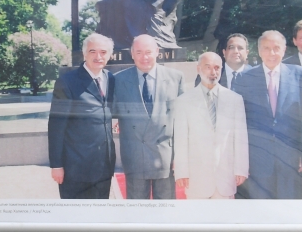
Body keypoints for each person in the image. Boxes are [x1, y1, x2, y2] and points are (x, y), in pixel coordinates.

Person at [112, 34, 184, 199]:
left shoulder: (176, 78)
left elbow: (181, 121)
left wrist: (179, 157)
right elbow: (111, 112)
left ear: (157, 52)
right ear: (132, 53)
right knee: (137, 215)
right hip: (135, 156)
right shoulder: (119, 80)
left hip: (165, 156)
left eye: (148, 52)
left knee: (166, 214)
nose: (144, 57)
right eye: (138, 52)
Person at [232, 30, 302, 199]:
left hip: (291, 161)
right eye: (266, 48)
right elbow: (238, 123)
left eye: (276, 48)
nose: (272, 53)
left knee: (290, 215)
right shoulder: (243, 79)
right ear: (259, 50)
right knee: (261, 215)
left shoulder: (299, 75)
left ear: (284, 49)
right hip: (257, 162)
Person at [47, 33, 116, 199]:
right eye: (92, 51)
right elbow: (56, 126)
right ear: (84, 54)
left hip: (104, 167)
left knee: (100, 219)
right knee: (76, 220)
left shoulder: (110, 79)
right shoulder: (67, 82)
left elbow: (107, 108)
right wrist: (56, 165)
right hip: (76, 169)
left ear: (109, 55)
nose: (98, 56)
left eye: (103, 52)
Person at [173, 52, 249, 199]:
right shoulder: (184, 101)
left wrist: (241, 169)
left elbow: (240, 138)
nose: (213, 72)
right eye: (207, 67)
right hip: (196, 179)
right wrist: (182, 172)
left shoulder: (234, 99)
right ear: (198, 68)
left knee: (224, 220)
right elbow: (181, 140)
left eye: (217, 68)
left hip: (225, 178)